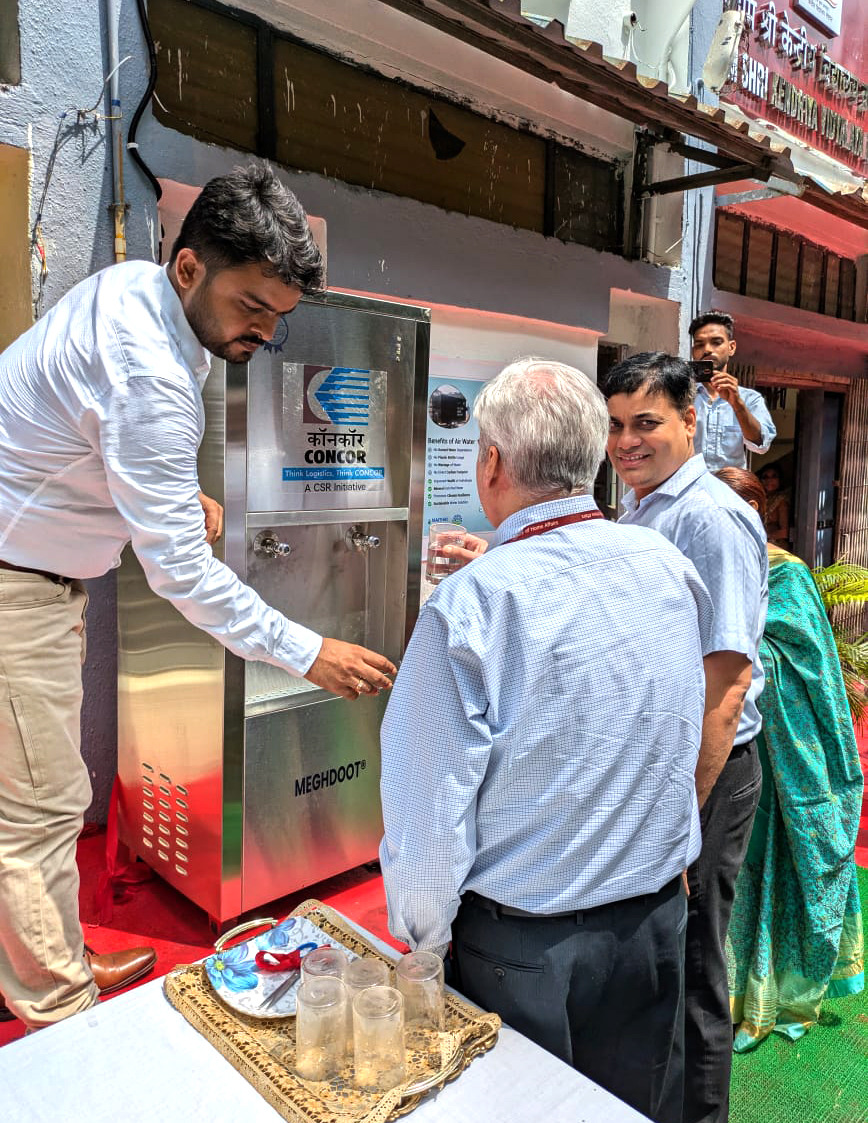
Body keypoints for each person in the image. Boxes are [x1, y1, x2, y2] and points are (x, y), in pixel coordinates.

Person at [0, 164, 396, 1031]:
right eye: (252, 307)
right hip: (14, 586)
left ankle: (50, 950)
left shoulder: (138, 291)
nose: (263, 331)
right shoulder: (152, 375)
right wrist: (309, 651)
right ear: (190, 269)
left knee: (38, 787)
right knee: (39, 806)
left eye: (279, 319)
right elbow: (179, 571)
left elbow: (99, 439)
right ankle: (60, 1014)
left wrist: (170, 493)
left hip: (40, 571)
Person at [380, 359, 716, 1123]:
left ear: (492, 462)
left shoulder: (472, 604)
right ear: (595, 455)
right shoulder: (668, 567)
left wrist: (422, 947)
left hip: (523, 951)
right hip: (654, 922)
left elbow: (429, 815)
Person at [601, 353, 768, 1123]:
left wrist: (684, 807)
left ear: (690, 420)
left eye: (646, 423)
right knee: (661, 952)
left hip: (710, 770)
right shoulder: (641, 505)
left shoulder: (711, 517)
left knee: (698, 961)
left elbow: (727, 684)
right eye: (615, 425)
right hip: (666, 767)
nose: (626, 442)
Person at [713, 468, 864, 1052]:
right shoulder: (709, 563)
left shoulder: (789, 573)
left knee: (770, 864)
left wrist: (738, 655)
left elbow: (814, 670)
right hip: (723, 744)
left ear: (756, 511)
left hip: (782, 755)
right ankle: (721, 988)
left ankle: (770, 993)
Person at [690, 312, 776, 470]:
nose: (707, 349)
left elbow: (761, 445)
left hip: (730, 491)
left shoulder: (750, 399)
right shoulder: (680, 395)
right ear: (693, 351)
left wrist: (737, 404)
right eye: (699, 344)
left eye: (716, 342)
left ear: (731, 347)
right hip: (690, 491)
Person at [756, 463, 790, 547]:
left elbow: (785, 532)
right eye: (765, 477)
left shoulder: (781, 501)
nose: (769, 480)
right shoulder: (758, 500)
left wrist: (764, 537)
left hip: (775, 547)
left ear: (779, 480)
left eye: (774, 476)